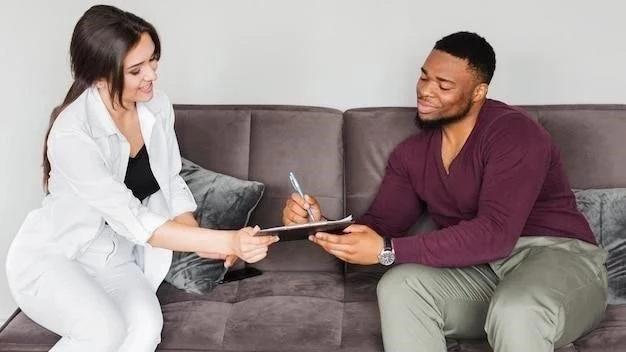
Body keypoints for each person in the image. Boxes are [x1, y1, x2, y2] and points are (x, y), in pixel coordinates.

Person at [282, 31, 607, 352]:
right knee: (399, 287)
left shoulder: (514, 133)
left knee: (517, 311)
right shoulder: (412, 154)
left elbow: (495, 234)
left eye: (444, 85)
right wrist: (317, 224)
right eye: (424, 77)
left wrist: (388, 251)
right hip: (483, 271)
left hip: (557, 260)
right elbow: (380, 228)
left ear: (478, 91)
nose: (425, 91)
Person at [5, 5, 278, 352]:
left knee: (146, 328)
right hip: (57, 256)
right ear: (100, 77)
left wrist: (205, 245)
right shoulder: (72, 135)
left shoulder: (157, 106)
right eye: (136, 69)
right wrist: (226, 242)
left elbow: (171, 180)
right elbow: (132, 219)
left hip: (114, 256)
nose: (151, 75)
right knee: (104, 331)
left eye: (153, 60)